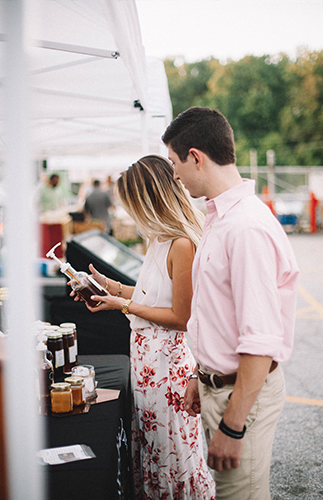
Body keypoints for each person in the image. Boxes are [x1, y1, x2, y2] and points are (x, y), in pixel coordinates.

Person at [161, 107, 300, 500]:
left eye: (174, 162)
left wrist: (234, 426)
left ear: (196, 157)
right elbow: (216, 315)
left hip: (240, 397)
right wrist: (198, 374)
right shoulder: (221, 218)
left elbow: (261, 341)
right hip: (219, 388)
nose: (174, 173)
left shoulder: (244, 227)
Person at [72, 156, 216, 499]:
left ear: (150, 198)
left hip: (168, 369)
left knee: (173, 451)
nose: (128, 212)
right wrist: (109, 286)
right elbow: (149, 297)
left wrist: (119, 303)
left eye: (132, 203)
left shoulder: (182, 244)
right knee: (154, 447)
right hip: (147, 363)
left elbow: (180, 316)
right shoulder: (158, 239)